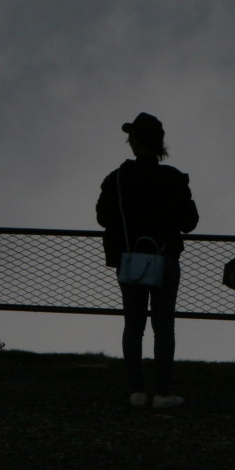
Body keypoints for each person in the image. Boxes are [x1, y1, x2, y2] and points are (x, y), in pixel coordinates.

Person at [96, 113, 199, 409]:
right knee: (164, 326)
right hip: (165, 259)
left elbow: (103, 217)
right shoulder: (174, 179)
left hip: (131, 261)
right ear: (160, 145)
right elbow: (190, 222)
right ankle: (163, 392)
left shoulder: (116, 179)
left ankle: (137, 390)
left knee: (134, 325)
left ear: (135, 142)